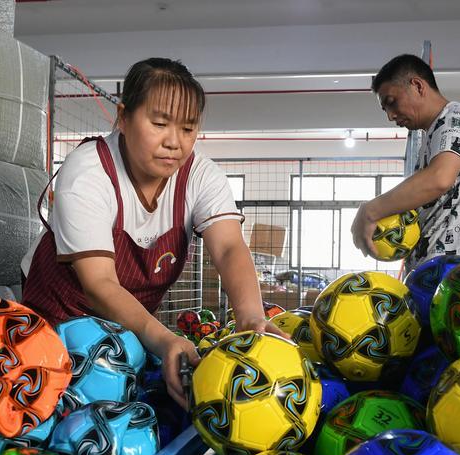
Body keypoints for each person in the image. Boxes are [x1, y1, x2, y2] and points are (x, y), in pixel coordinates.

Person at [21, 58, 281, 408]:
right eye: (159, 123)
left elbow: (229, 248)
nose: (174, 142)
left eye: (188, 129)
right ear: (124, 118)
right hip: (56, 323)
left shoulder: (200, 176)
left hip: (129, 330)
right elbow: (99, 284)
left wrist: (251, 317)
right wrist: (163, 339)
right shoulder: (88, 172)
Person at [351, 54, 460, 272]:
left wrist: (370, 211)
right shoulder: (435, 132)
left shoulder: (457, 115)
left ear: (418, 86)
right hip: (434, 270)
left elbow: (440, 178)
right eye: (385, 110)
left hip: (450, 272)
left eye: (392, 103)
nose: (391, 116)